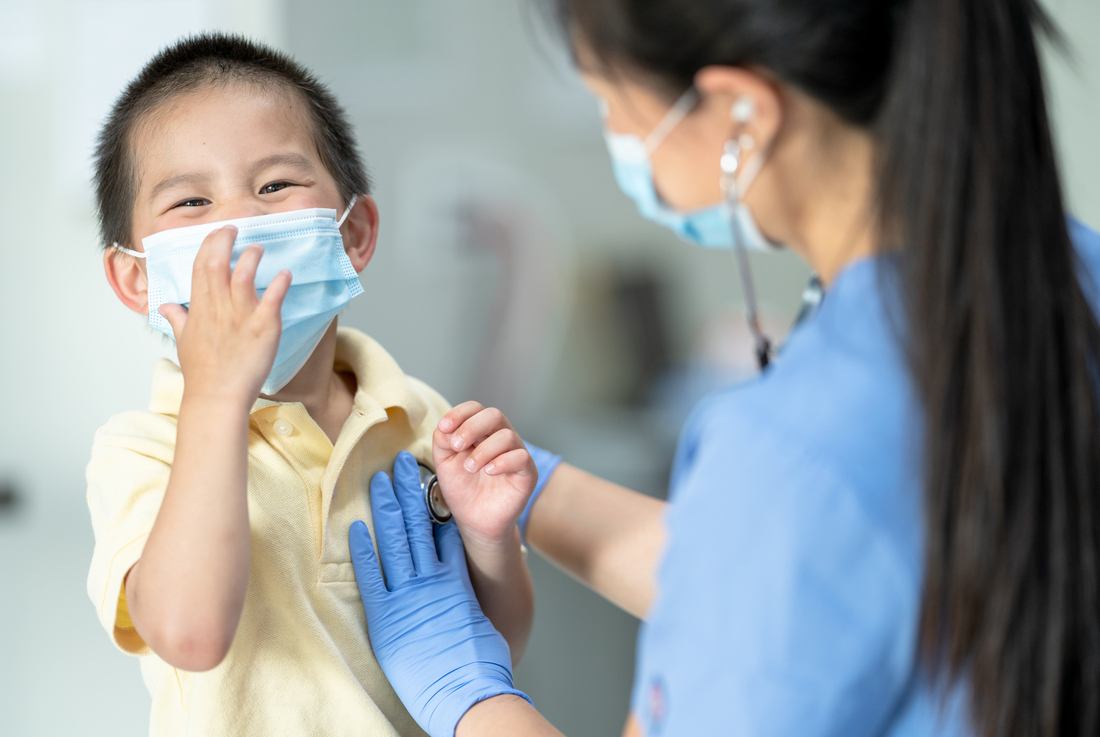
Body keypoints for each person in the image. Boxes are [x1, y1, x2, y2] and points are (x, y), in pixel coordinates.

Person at [348, 1, 1100, 736]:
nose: (619, 137)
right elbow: (816, 578)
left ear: (742, 110)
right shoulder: (1070, 270)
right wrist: (533, 483)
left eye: (613, 102)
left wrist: (468, 696)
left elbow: (791, 534)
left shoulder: (786, 447)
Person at [84, 33, 541, 737]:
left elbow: (490, 652)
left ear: (352, 232)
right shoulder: (141, 449)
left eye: (274, 186)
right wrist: (215, 396)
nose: (239, 224)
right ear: (138, 278)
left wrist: (490, 542)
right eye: (191, 202)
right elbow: (188, 634)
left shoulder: (420, 418)